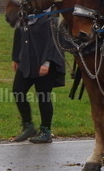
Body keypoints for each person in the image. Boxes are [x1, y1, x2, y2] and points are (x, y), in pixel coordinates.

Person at [11, 7, 66, 144]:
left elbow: (54, 42)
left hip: (46, 63)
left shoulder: (51, 18)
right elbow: (19, 34)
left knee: (43, 95)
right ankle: (28, 126)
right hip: (27, 62)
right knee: (18, 91)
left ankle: (46, 131)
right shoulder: (25, 15)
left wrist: (46, 63)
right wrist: (16, 58)